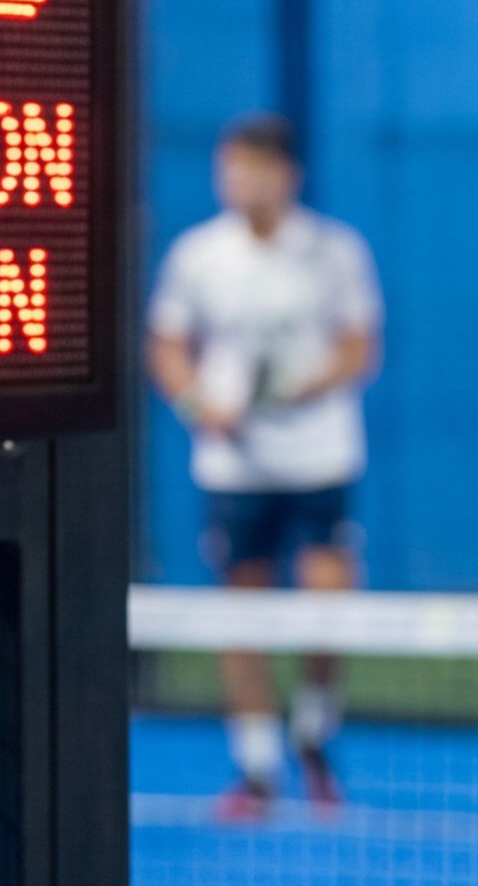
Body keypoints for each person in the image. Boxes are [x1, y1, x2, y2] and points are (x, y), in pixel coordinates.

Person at [148, 113, 382, 817]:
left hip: (321, 454)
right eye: (231, 168)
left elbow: (358, 346)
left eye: (255, 168)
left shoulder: (335, 251)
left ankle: (313, 729)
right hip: (233, 466)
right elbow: (165, 345)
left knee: (326, 605)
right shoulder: (196, 256)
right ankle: (255, 766)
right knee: (241, 611)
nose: (240, 181)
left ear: (287, 176)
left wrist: (309, 385)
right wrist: (197, 405)